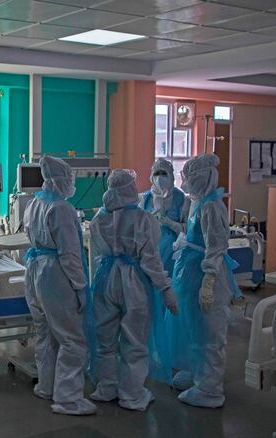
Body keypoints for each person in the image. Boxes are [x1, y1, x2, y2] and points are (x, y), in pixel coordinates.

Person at [88, 169, 178, 411]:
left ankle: (106, 387)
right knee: (135, 339)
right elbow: (151, 261)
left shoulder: (99, 218)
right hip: (134, 282)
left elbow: (94, 255)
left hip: (104, 279)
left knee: (104, 337)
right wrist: (166, 289)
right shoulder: (143, 219)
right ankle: (132, 394)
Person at [23, 156, 97, 416]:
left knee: (46, 334)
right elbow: (70, 254)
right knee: (72, 339)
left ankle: (47, 386)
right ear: (63, 179)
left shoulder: (34, 203)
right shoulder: (62, 209)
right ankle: (68, 398)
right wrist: (80, 287)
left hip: (34, 271)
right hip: (55, 274)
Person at [172, 154, 241, 408]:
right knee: (193, 326)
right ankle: (195, 372)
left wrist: (209, 280)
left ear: (201, 179)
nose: (184, 183)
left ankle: (210, 388)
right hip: (192, 272)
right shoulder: (198, 203)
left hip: (205, 274)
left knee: (209, 331)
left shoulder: (212, 206)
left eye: (188, 178)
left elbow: (216, 246)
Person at [139, 159, 191, 388]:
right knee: (149, 303)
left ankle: (170, 350)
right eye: (157, 173)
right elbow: (136, 224)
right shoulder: (145, 198)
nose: (161, 177)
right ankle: (151, 350)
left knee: (170, 301)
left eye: (165, 173)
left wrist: (168, 222)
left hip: (173, 255)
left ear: (172, 175)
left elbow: (187, 228)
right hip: (149, 255)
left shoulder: (182, 199)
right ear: (151, 175)